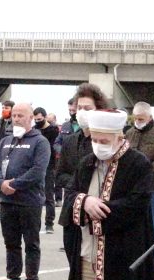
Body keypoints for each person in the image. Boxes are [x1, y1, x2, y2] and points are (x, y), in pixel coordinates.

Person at [62, 109, 154, 280]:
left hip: (124, 253)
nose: (98, 146)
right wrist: (85, 201)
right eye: (95, 140)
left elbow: (137, 204)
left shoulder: (138, 164)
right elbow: (70, 194)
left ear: (119, 137)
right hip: (87, 253)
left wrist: (100, 212)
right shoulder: (86, 163)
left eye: (104, 141)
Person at [0, 103, 50, 280]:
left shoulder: (40, 142)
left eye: (20, 115)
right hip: (7, 201)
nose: (16, 119)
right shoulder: (5, 141)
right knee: (11, 242)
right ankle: (12, 276)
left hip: (29, 201)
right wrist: (1, 183)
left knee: (31, 243)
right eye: (14, 115)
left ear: (30, 118)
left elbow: (38, 171)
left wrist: (15, 185)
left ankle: (32, 278)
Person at [57, 84, 107, 263]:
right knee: (74, 265)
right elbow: (60, 174)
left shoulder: (104, 142)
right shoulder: (70, 140)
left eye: (88, 108)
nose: (82, 112)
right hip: (71, 212)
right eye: (79, 108)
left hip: (96, 211)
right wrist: (76, 185)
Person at [126, 102, 154, 274]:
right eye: (135, 119)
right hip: (133, 188)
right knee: (134, 225)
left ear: (150, 117)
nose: (138, 121)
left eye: (141, 119)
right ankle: (136, 259)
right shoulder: (130, 133)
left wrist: (142, 171)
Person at [33, 106, 60, 234]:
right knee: (36, 196)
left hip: (49, 166)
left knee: (49, 196)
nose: (37, 121)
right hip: (36, 166)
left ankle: (49, 223)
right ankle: (36, 223)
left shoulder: (53, 130)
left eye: (39, 119)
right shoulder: (34, 130)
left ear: (44, 117)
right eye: (35, 119)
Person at [53, 98, 80, 207]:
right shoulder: (65, 126)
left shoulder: (86, 126)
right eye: (70, 111)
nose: (72, 113)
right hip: (68, 166)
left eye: (74, 111)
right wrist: (64, 152)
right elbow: (56, 143)